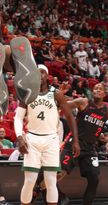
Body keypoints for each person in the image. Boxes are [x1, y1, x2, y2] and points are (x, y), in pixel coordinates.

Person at [15, 65, 80, 205]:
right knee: (30, 180)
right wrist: (19, 137)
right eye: (36, 72)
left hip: (51, 139)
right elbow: (18, 118)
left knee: (51, 180)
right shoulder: (27, 94)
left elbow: (70, 117)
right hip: (31, 138)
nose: (39, 74)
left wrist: (76, 141)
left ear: (47, 76)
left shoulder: (56, 94)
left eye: (42, 72)